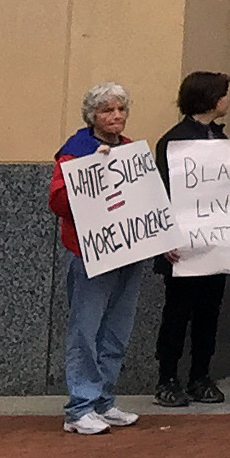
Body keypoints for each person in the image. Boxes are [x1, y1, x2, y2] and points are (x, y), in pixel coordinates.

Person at [151, 70, 230, 408]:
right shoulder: (175, 140)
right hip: (182, 247)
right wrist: (166, 239)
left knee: (209, 311)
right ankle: (167, 378)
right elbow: (161, 192)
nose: (227, 100)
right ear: (209, 98)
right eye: (223, 94)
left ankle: (200, 375)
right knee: (178, 312)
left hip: (214, 245)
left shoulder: (218, 139)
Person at [47, 83, 149, 435]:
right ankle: (79, 407)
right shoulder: (75, 153)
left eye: (121, 109)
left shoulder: (132, 151)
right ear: (93, 116)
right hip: (91, 253)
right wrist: (90, 172)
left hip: (128, 251)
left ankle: (104, 400)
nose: (116, 116)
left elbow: (148, 200)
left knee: (116, 330)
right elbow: (58, 203)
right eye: (108, 110)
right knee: (85, 330)